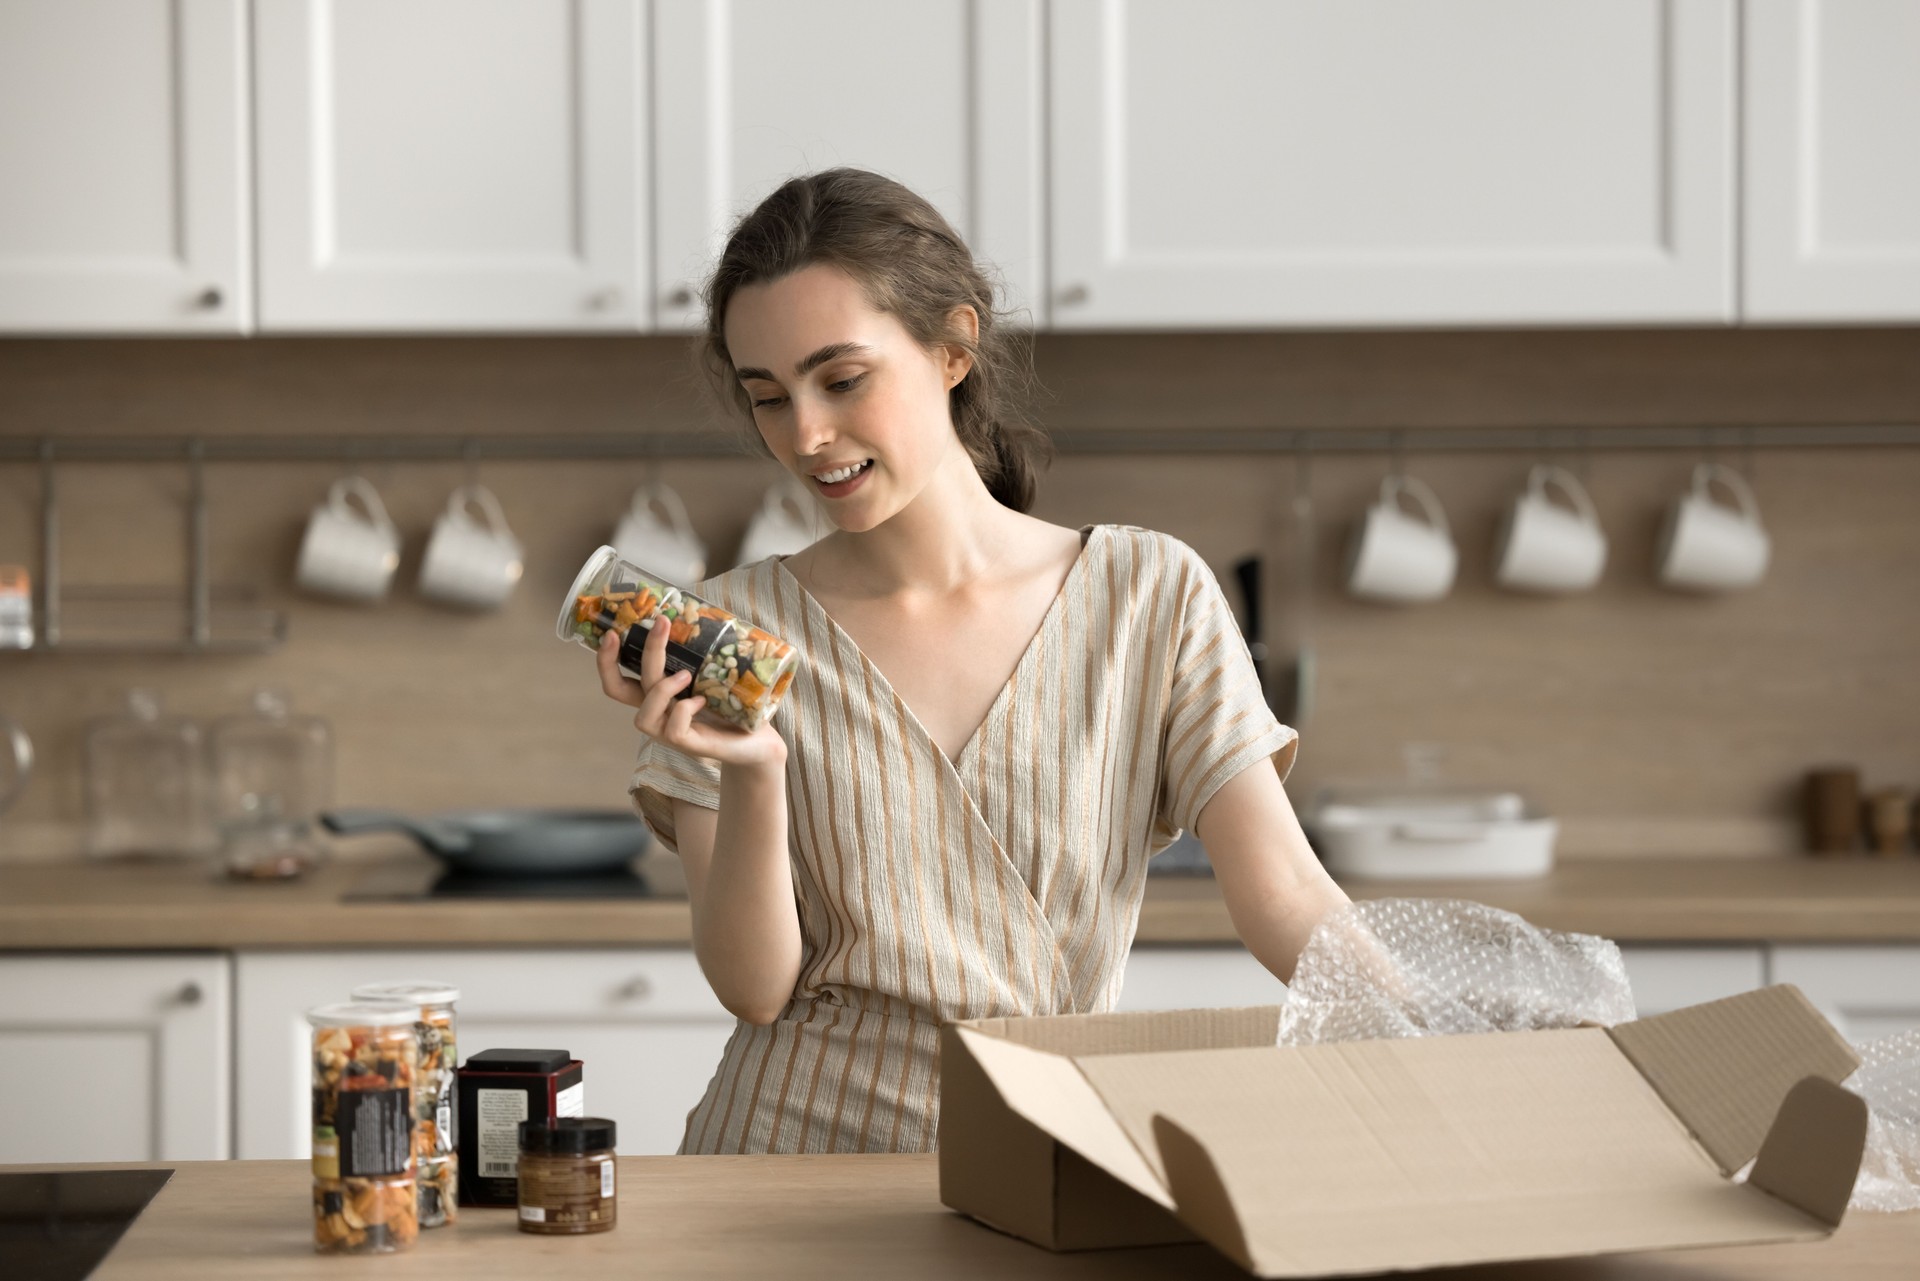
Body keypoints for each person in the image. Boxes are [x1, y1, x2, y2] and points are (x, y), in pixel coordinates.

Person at [598, 168, 1349, 1154]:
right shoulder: (734, 631)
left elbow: (1287, 897)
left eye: (843, 379)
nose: (807, 436)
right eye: (769, 397)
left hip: (1037, 1162)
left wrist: (1451, 1033)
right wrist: (755, 774)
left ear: (953, 348)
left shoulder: (1148, 596)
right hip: (781, 1175)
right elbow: (755, 989)